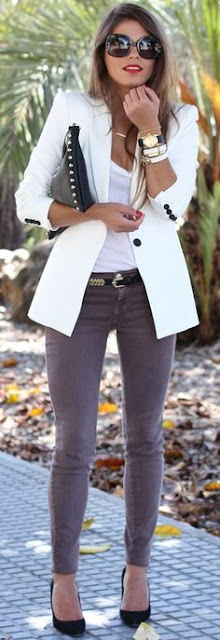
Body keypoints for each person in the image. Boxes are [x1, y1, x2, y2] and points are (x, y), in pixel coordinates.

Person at [15, 2, 199, 636]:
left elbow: (173, 208)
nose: (133, 55)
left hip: (152, 295)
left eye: (145, 46)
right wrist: (91, 212)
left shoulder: (181, 120)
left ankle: (137, 569)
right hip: (81, 294)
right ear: (102, 51)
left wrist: (150, 129)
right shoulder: (73, 111)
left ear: (158, 55)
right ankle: (63, 578)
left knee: (145, 437)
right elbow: (29, 200)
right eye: (120, 43)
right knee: (75, 443)